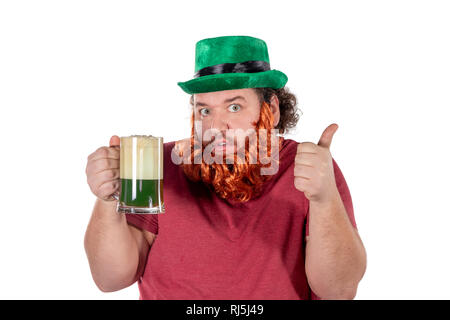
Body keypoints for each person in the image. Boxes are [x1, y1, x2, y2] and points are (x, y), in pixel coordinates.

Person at [84, 35, 366, 300]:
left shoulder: (310, 168)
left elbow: (338, 290)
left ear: (272, 109)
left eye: (234, 107)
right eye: (205, 110)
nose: (215, 127)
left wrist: (324, 198)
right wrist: (108, 198)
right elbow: (110, 280)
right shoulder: (151, 162)